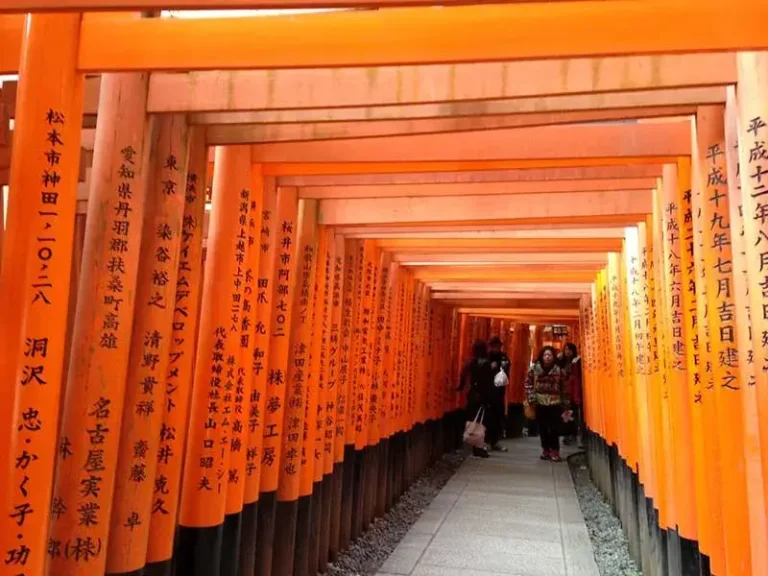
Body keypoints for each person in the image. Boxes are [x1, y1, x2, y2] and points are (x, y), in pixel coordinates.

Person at [524, 346, 569, 462]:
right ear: (541, 356)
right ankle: (545, 450)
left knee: (554, 428)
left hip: (555, 402)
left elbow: (564, 387)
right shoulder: (534, 369)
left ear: (553, 357)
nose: (547, 357)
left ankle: (555, 450)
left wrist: (565, 403)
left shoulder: (559, 370)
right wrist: (531, 397)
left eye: (550, 355)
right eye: (545, 355)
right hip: (539, 402)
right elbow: (528, 383)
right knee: (542, 428)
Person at [457, 339, 495, 458]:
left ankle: (474, 445)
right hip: (482, 395)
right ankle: (478, 447)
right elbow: (488, 382)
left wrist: (460, 387)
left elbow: (463, 375)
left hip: (473, 394)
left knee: (473, 419)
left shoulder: (471, 362)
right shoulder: (486, 363)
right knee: (481, 421)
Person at [487, 336, 510, 452]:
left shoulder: (503, 357)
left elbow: (507, 373)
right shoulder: (486, 357)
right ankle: (486, 441)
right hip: (487, 392)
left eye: (498, 347)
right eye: (494, 346)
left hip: (499, 392)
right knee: (487, 417)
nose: (497, 349)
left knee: (497, 417)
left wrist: (504, 366)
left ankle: (495, 441)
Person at [561, 342, 583, 447]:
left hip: (573, 390)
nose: (567, 352)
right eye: (565, 349)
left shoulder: (577, 361)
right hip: (564, 391)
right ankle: (566, 434)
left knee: (572, 413)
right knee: (565, 413)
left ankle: (572, 434)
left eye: (569, 349)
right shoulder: (562, 361)